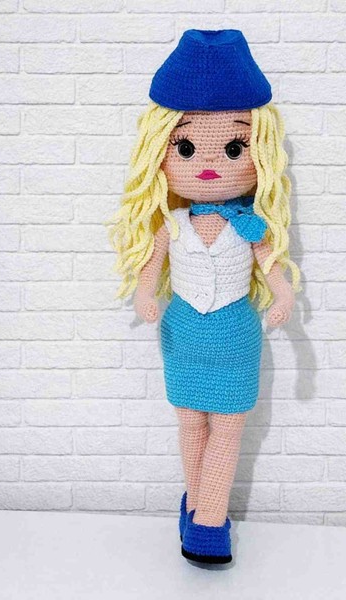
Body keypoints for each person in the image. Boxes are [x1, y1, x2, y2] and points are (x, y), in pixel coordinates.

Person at [108, 29, 300, 565]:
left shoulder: (251, 225)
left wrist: (283, 294)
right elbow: (150, 271)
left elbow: (272, 266)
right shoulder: (170, 223)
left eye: (236, 148)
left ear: (259, 151)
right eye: (186, 148)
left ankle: (208, 524)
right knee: (191, 425)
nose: (210, 164)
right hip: (184, 335)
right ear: (160, 151)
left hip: (235, 336)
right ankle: (195, 508)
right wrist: (144, 296)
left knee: (228, 429)